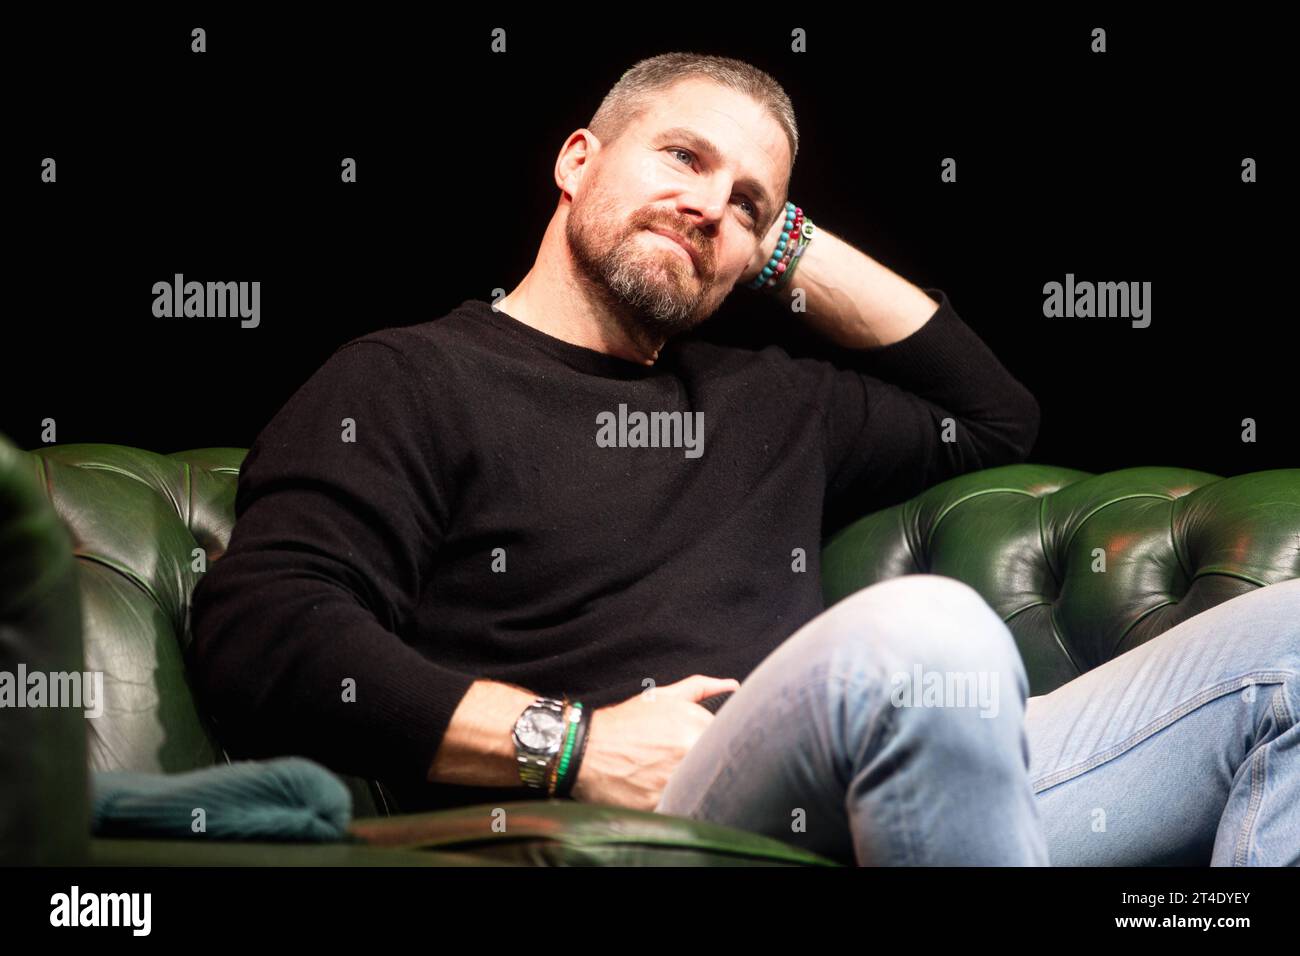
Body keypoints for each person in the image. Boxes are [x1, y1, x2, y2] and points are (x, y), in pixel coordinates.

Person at [188, 53, 1300, 865]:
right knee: (926, 633)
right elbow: (265, 630)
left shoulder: (771, 398)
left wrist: (776, 240)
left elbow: (994, 418)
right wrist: (569, 746)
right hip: (640, 812)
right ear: (577, 160)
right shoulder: (407, 377)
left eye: (749, 204)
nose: (710, 205)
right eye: (683, 156)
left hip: (889, 789)